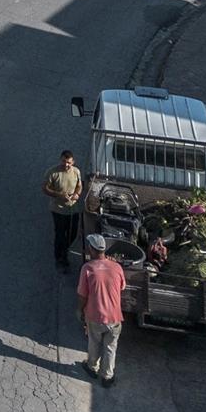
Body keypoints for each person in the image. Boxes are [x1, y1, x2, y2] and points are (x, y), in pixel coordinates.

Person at [76, 234, 127, 387]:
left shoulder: (87, 268)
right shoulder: (117, 267)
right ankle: (107, 377)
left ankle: (92, 367)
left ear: (91, 249)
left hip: (95, 316)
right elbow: (122, 287)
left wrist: (80, 310)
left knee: (94, 343)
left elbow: (82, 295)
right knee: (111, 347)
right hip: (115, 317)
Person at [41, 149, 83, 272]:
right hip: (58, 210)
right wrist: (58, 195)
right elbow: (45, 188)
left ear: (73, 162)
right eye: (64, 161)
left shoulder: (76, 172)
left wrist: (77, 194)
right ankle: (60, 257)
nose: (66, 164)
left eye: (69, 162)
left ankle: (64, 250)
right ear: (60, 160)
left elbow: (79, 186)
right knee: (60, 234)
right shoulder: (52, 172)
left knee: (72, 234)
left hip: (73, 209)